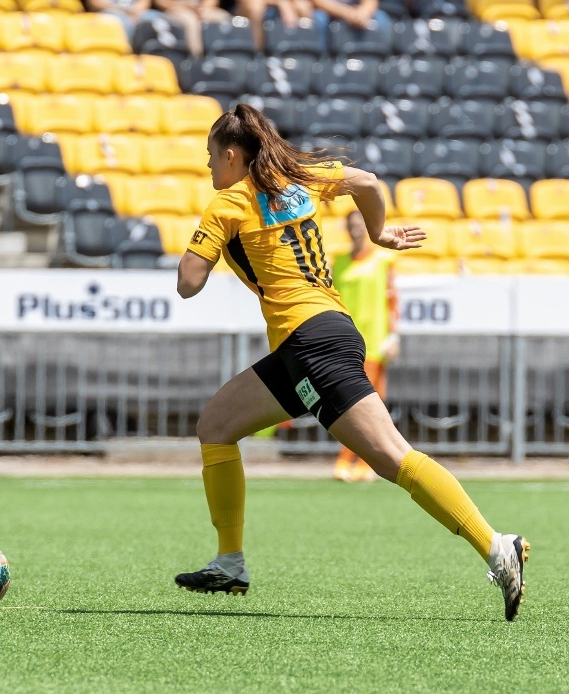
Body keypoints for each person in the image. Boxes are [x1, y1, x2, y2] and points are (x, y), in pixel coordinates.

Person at [172, 105, 529, 621]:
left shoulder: (228, 203)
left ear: (231, 156)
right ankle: (230, 562)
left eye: (210, 158)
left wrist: (203, 243)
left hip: (311, 342)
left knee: (391, 457)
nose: (209, 168)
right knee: (217, 426)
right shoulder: (304, 178)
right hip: (309, 342)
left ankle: (499, 548)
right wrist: (379, 232)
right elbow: (367, 181)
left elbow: (188, 284)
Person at [330, 208, 398, 482]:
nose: (356, 229)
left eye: (360, 223)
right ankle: (359, 461)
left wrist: (393, 336)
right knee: (348, 406)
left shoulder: (384, 260)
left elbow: (393, 301)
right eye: (351, 224)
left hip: (373, 343)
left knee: (365, 407)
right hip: (345, 343)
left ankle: (357, 461)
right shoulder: (339, 262)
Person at [85, 0, 168, 40]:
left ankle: (161, 52)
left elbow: (143, 3)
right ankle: (129, 55)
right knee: (123, 22)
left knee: (157, 18)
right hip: (110, 11)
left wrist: (135, 12)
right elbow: (96, 3)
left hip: (135, 12)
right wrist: (126, 11)